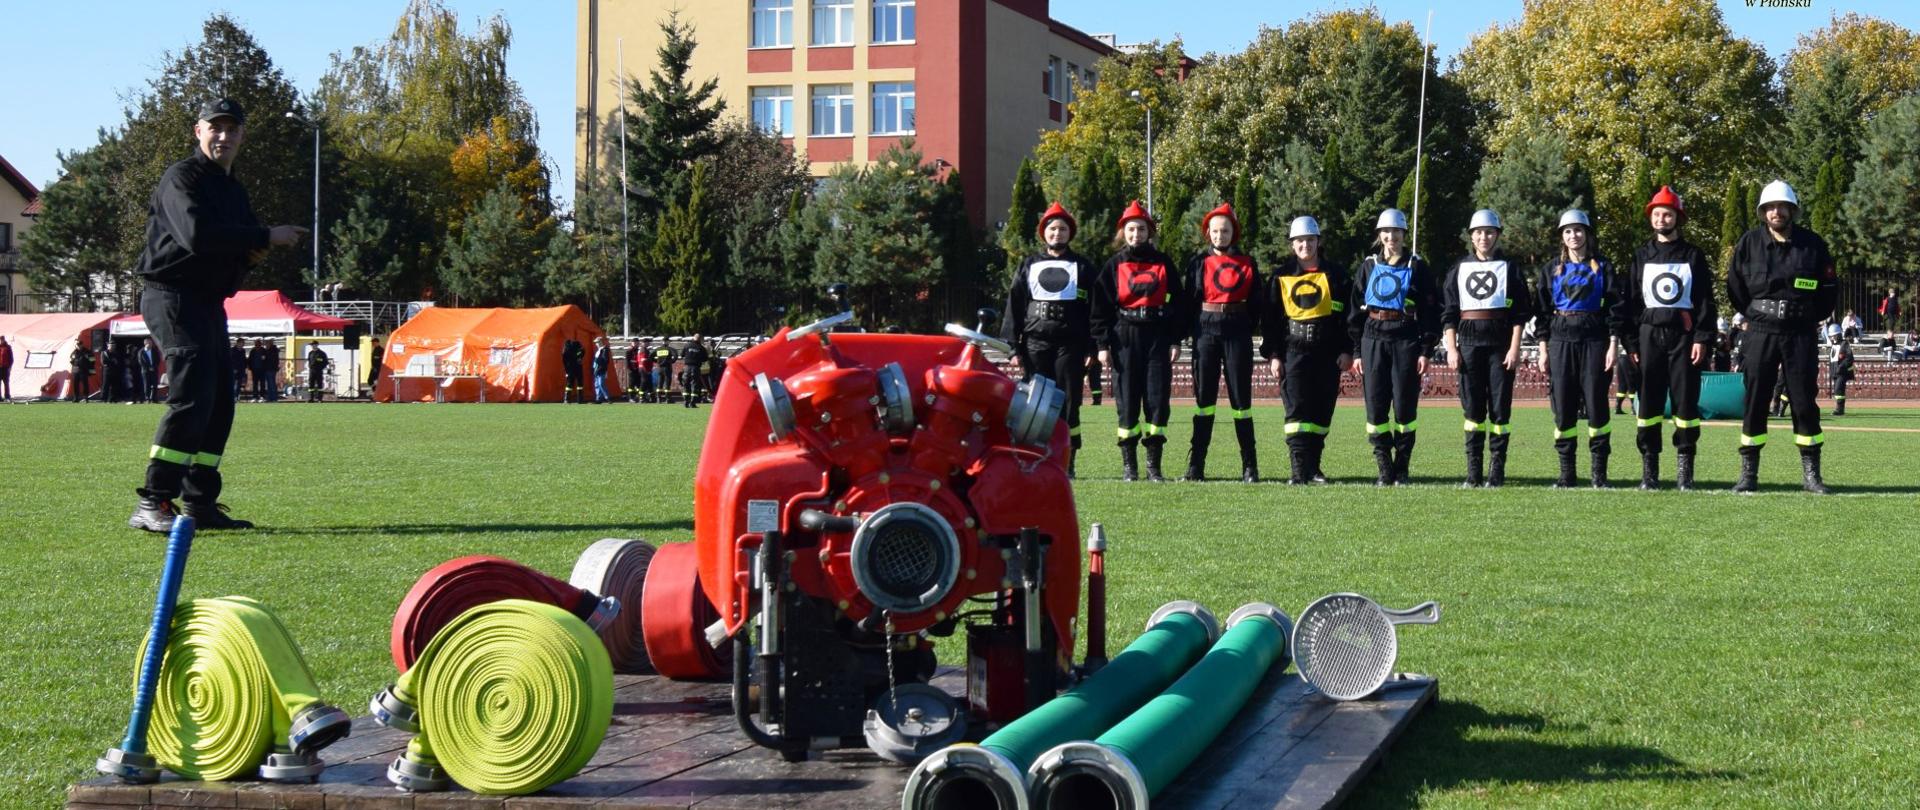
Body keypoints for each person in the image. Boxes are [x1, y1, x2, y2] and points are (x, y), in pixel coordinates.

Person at [128, 97, 309, 532]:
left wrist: (254, 252)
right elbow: (195, 236)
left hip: (207, 302)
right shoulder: (182, 178)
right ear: (198, 131)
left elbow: (235, 249)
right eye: (216, 128)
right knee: (192, 397)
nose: (224, 136)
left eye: (232, 129)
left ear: (243, 136)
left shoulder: (233, 189)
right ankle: (153, 502)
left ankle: (200, 503)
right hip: (170, 296)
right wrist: (265, 234)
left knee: (219, 405)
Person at [1728, 180, 1836, 494]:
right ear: (1763, 212)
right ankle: (1748, 474)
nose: (1776, 212)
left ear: (1791, 210)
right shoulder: (1748, 243)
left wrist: (1807, 317)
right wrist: (1756, 314)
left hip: (1800, 333)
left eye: (1782, 206)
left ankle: (1811, 475)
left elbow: (1828, 289)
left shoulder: (1812, 245)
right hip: (1760, 332)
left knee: (1803, 401)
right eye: (1770, 207)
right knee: (1755, 400)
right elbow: (1734, 286)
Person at [1613, 185, 1718, 490]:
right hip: (1648, 338)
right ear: (1651, 218)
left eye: (1667, 214)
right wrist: (1631, 344)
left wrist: (1702, 337)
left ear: (1677, 218)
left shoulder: (1693, 255)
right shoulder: (1641, 256)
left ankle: (1685, 470)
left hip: (1684, 338)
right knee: (1649, 405)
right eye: (1657, 214)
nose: (1661, 219)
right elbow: (1630, 304)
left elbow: (1704, 301)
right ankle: (1650, 471)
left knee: (1686, 404)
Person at [1090, 200, 1187, 482]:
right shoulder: (1113, 266)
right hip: (1125, 336)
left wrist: (1174, 339)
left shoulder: (1163, 262)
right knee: (1127, 401)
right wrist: (1102, 344)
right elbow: (1100, 308)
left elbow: (1178, 302)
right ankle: (1129, 467)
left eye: (1141, 229)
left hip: (1157, 336)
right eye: (1131, 229)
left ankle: (1154, 467)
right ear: (1124, 232)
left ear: (1149, 232)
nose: (1136, 234)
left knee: (1157, 401)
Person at [1348, 209, 1440, 486]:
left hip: (1405, 337)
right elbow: (1355, 311)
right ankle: (1384, 466)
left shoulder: (1417, 266)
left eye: (1396, 231)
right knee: (1375, 407)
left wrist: (1426, 350)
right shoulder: (1368, 266)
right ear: (1379, 235)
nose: (1391, 237)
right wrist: (1355, 351)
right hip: (1373, 337)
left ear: (1403, 234)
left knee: (1404, 406)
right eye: (1386, 232)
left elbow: (1429, 310)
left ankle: (1402, 466)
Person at [1442, 209, 1533, 487]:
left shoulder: (1510, 269)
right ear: (1471, 236)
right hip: (1468, 346)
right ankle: (1473, 471)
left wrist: (1515, 348)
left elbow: (1520, 313)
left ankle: (1497, 469)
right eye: (1478, 232)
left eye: (1489, 232)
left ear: (1497, 235)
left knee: (1500, 411)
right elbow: (1449, 313)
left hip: (1500, 346)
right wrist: (1452, 349)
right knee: (1472, 412)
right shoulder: (1458, 269)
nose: (1484, 237)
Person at [1003, 201, 1095, 476]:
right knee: (1035, 404)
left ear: (1070, 233)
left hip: (1071, 345)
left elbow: (1095, 309)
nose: (1057, 233)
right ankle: (1033, 458)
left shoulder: (1084, 267)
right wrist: (1013, 346)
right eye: (1052, 229)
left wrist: (1092, 345)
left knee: (1069, 403)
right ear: (1044, 233)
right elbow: (1015, 305)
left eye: (1063, 229)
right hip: (1035, 345)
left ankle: (1068, 460)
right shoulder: (1028, 265)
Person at [1262, 215, 1351, 485]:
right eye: (1300, 241)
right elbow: (1270, 319)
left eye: (1310, 240)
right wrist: (1275, 354)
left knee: (1322, 412)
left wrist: (1347, 350)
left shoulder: (1336, 276)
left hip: (1327, 353)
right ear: (1292, 244)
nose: (1305, 245)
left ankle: (1314, 467)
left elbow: (1348, 317)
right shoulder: (1281, 276)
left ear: (1318, 241)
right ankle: (1299, 470)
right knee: (1297, 411)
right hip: (1294, 351)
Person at [1181, 202, 1263, 482]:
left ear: (1233, 233)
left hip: (1237, 330)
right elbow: (1188, 301)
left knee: (1242, 402)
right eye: (1215, 231)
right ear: (1208, 233)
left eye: (1225, 230)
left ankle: (1250, 466)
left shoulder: (1248, 263)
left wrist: (1242, 325)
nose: (1219, 236)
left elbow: (1257, 304)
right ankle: (1196, 466)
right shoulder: (1197, 263)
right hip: (1205, 331)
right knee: (1204, 401)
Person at [1538, 210, 1619, 488]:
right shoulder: (1550, 269)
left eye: (1579, 230)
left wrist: (1613, 345)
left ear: (1588, 233)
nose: (1574, 236)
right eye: (1568, 231)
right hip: (1561, 341)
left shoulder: (1604, 267)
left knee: (1597, 406)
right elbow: (1543, 313)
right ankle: (1567, 473)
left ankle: (1599, 473)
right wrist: (1542, 348)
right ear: (1562, 236)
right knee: (1564, 406)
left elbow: (1614, 309)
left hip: (1595, 340)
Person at [679, 335, 710, 407]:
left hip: (687, 368)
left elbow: (681, 355)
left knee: (686, 384)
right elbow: (705, 359)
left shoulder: (687, 345)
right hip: (696, 368)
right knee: (694, 384)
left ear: (693, 338)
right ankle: (692, 403)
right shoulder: (701, 348)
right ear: (700, 340)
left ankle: (686, 402)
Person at [1829, 333, 1854, 416]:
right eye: (1831, 336)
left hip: (1842, 372)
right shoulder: (1834, 345)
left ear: (1838, 335)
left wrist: (1841, 366)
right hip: (1835, 371)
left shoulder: (1844, 344)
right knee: (1837, 391)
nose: (1832, 337)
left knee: (1838, 389)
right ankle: (1839, 409)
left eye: (1833, 335)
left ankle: (1840, 409)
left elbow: (1849, 357)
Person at [561, 337, 586, 403]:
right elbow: (582, 351)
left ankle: (567, 399)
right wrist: (579, 357)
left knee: (569, 383)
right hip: (578, 368)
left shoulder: (566, 350)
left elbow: (564, 360)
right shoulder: (578, 347)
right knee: (579, 383)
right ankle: (580, 399)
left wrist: (566, 371)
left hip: (570, 369)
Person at [138, 338, 160, 403]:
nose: (151, 344)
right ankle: (147, 398)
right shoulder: (141, 352)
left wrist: (153, 367)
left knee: (154, 385)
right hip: (145, 371)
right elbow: (141, 362)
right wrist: (148, 368)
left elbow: (158, 360)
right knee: (146, 385)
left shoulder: (154, 351)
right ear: (145, 343)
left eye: (151, 343)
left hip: (154, 370)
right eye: (149, 343)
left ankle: (154, 398)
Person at [591, 336, 613, 403]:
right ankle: (598, 398)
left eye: (597, 342)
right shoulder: (599, 350)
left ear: (600, 342)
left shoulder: (604, 350)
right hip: (596, 369)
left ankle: (607, 398)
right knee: (597, 384)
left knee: (601, 383)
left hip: (601, 369)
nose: (596, 344)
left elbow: (605, 360)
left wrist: (600, 366)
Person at [0, 335, 13, 401]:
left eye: (2, 339)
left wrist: (9, 367)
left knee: (6, 383)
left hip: (5, 368)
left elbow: (11, 358)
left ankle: (7, 396)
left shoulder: (8, 347)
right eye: (1, 339)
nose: (1, 341)